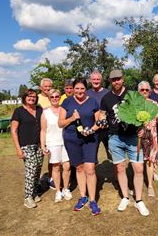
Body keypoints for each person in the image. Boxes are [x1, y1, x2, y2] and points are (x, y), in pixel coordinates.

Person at [100, 69, 149, 216]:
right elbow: (103, 114)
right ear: (110, 82)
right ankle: (125, 197)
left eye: (118, 79)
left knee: (138, 169)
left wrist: (143, 129)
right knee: (120, 168)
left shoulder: (133, 94)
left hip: (133, 137)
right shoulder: (106, 98)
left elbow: (143, 114)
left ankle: (139, 200)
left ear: (123, 79)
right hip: (115, 138)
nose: (116, 82)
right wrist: (101, 120)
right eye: (113, 80)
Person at [59, 78, 102, 216]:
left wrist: (91, 130)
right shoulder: (67, 101)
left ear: (86, 88)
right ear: (73, 89)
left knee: (90, 168)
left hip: (89, 138)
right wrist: (72, 118)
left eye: (82, 88)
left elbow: (99, 122)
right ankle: (83, 197)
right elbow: (60, 123)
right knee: (79, 168)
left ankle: (93, 200)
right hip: (72, 139)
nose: (79, 91)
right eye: (76, 88)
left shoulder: (93, 101)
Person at [11, 89, 44, 209]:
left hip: (39, 145)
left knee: (38, 169)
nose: (32, 98)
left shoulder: (39, 110)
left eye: (34, 96)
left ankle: (34, 193)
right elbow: (14, 131)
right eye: (29, 96)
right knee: (31, 169)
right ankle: (27, 197)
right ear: (24, 97)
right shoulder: (19, 111)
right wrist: (18, 149)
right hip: (26, 145)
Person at [40, 89, 72, 203]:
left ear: (60, 97)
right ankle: (58, 190)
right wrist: (43, 145)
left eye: (57, 96)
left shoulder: (64, 110)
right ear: (49, 98)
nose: (55, 98)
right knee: (56, 167)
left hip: (66, 142)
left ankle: (66, 188)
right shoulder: (45, 112)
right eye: (52, 97)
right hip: (52, 142)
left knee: (67, 166)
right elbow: (43, 130)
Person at [137, 81, 158, 197]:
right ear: (138, 91)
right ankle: (136, 184)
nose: (144, 92)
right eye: (142, 90)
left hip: (151, 136)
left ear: (150, 91)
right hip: (138, 137)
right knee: (137, 161)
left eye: (147, 90)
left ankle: (150, 186)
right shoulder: (134, 105)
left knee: (150, 160)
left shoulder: (154, 104)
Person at [87, 71, 110, 159]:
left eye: (98, 79)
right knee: (91, 156)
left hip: (107, 129)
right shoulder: (86, 94)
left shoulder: (108, 93)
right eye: (94, 79)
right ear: (90, 80)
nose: (96, 81)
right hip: (92, 128)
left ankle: (116, 172)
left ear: (101, 80)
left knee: (113, 155)